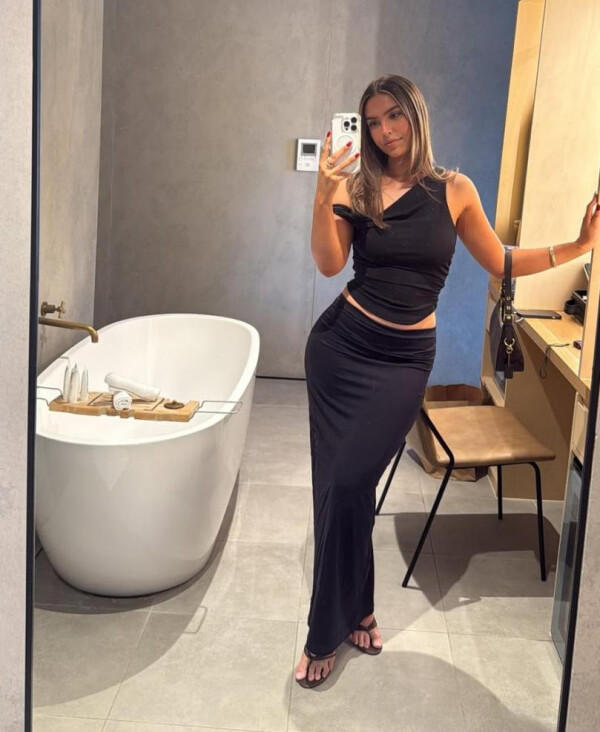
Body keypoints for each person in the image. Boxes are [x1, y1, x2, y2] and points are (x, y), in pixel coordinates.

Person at [294, 74, 600, 689]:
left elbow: (501, 260)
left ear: (416, 114)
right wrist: (324, 193)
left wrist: (578, 244)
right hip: (339, 350)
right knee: (339, 488)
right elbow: (329, 265)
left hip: (404, 362)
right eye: (373, 121)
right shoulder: (356, 186)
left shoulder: (453, 190)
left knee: (349, 484)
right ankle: (350, 614)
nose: (385, 131)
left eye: (394, 116)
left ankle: (337, 617)